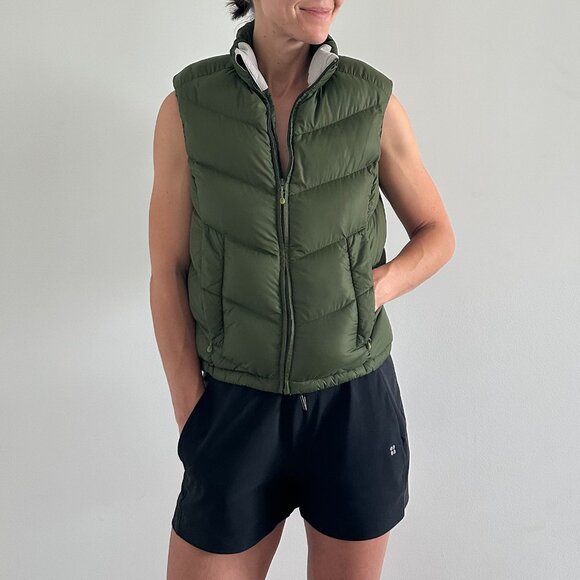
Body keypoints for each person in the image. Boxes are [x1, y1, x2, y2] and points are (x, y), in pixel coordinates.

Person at [149, 0, 455, 578]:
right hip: (236, 402)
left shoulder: (372, 102)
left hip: (353, 404)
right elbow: (168, 270)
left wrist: (375, 288)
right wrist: (192, 414)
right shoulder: (189, 107)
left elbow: (437, 233)